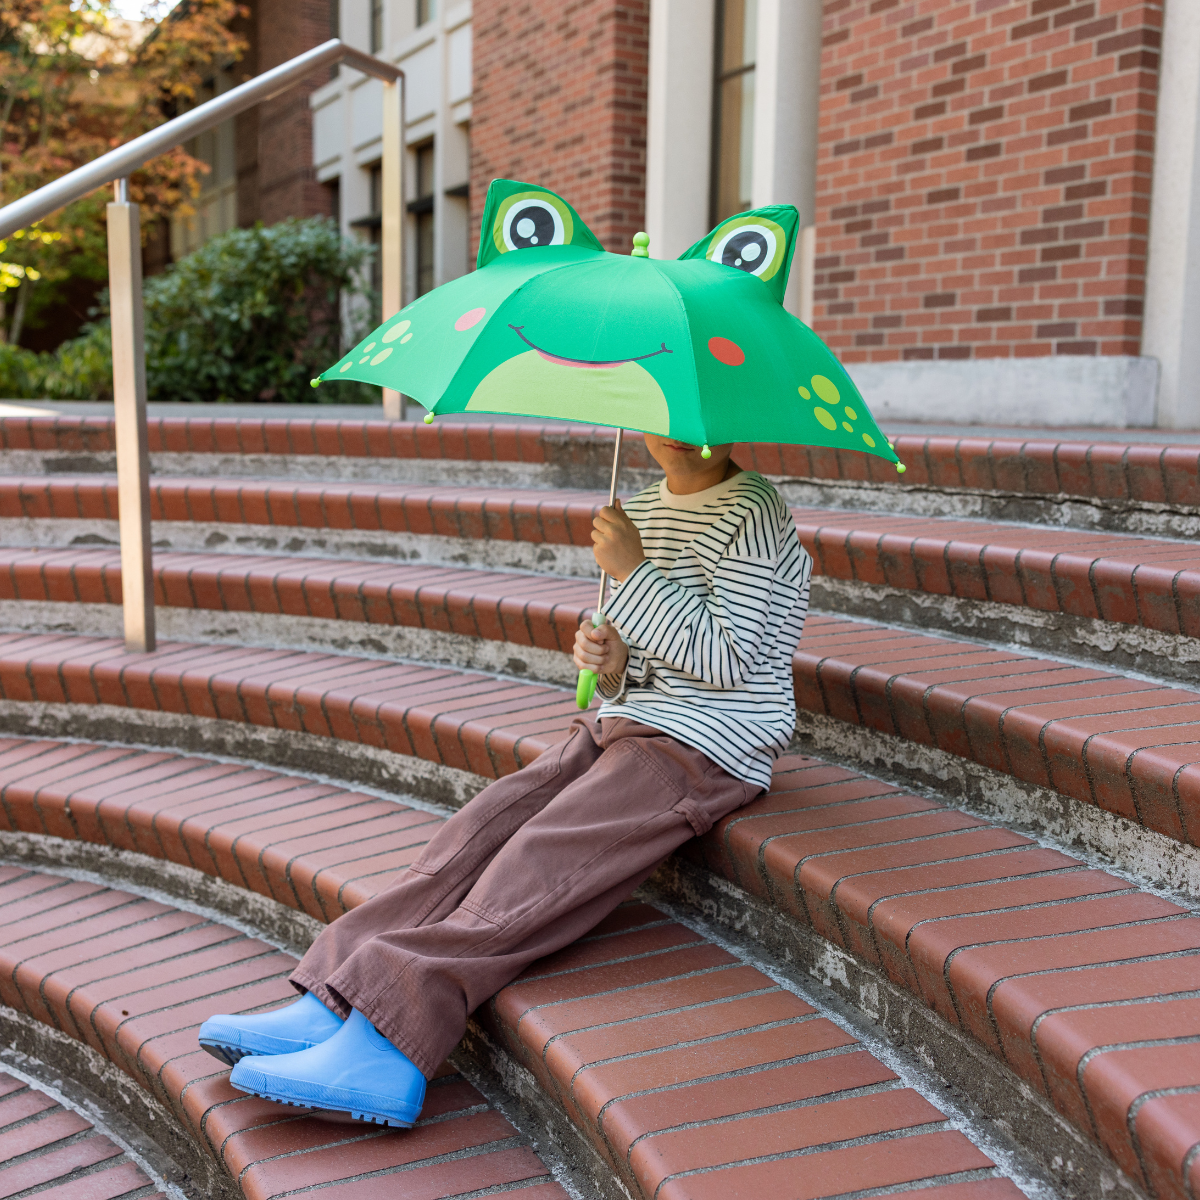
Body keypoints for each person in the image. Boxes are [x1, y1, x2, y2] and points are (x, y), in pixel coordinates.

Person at [198, 433, 813, 1128]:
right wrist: (607, 657)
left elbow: (729, 659)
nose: (682, 432)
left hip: (702, 746)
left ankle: (389, 1044)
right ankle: (334, 996)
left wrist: (635, 573)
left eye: (704, 417)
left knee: (541, 854)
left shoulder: (754, 512)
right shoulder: (638, 507)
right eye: (663, 413)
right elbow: (637, 662)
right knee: (484, 827)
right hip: (626, 723)